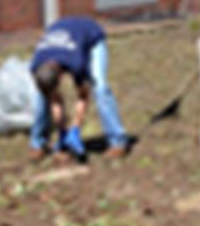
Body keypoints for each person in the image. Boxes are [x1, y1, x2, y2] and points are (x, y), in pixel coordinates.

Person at [29, 16, 130, 161]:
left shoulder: (76, 63)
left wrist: (75, 128)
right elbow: (54, 99)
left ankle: (118, 142)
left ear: (60, 78)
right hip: (63, 35)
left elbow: (83, 95)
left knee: (100, 87)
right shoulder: (36, 64)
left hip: (91, 35)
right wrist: (62, 130)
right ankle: (38, 144)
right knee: (41, 96)